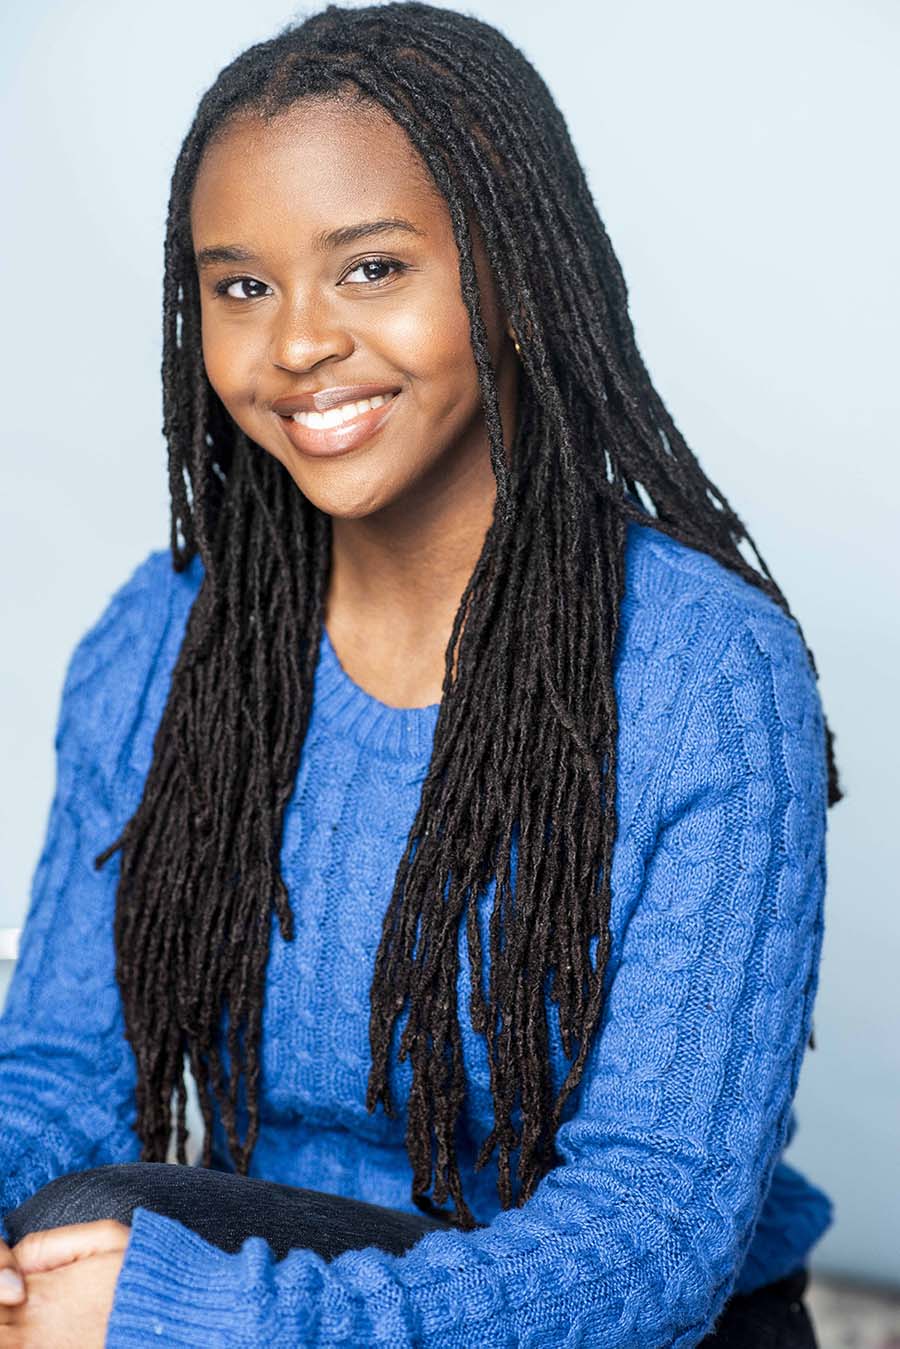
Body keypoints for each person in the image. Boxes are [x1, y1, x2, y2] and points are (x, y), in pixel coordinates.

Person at [0, 2, 840, 1344]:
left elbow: (655, 1236)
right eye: (241, 285)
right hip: (284, 1276)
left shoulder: (705, 674)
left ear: (510, 270)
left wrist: (212, 1319)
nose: (297, 344)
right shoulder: (163, 641)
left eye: (371, 269)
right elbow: (59, 1071)